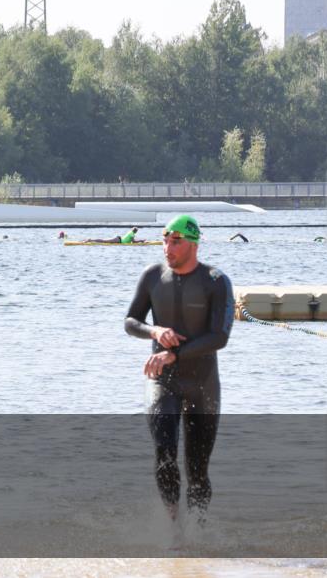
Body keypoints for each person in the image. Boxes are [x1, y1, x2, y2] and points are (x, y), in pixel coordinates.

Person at [124, 215, 233, 526]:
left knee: (197, 469)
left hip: (202, 384)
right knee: (164, 452)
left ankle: (198, 531)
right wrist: (154, 331)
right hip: (163, 382)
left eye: (175, 241)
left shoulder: (215, 281)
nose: (167, 248)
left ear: (193, 244)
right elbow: (130, 322)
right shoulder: (152, 276)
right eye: (164, 240)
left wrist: (174, 354)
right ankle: (174, 529)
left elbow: (219, 337)